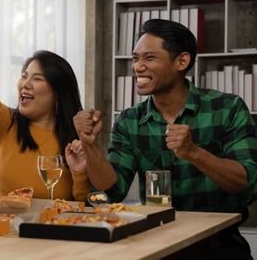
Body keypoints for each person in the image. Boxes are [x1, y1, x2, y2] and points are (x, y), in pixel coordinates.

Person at [68, 19, 257, 258]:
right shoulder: (129, 121)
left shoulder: (228, 108)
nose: (137, 67)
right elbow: (109, 194)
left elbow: (247, 184)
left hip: (220, 247)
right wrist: (90, 144)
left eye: (149, 58)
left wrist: (194, 153)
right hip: (158, 247)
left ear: (182, 61)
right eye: (135, 58)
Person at [0, 27, 90, 201]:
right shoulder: (3, 124)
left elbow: (85, 208)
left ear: (59, 93)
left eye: (37, 79)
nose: (25, 84)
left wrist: (80, 173)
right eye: (24, 76)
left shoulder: (75, 143)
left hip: (54, 227)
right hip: (1, 225)